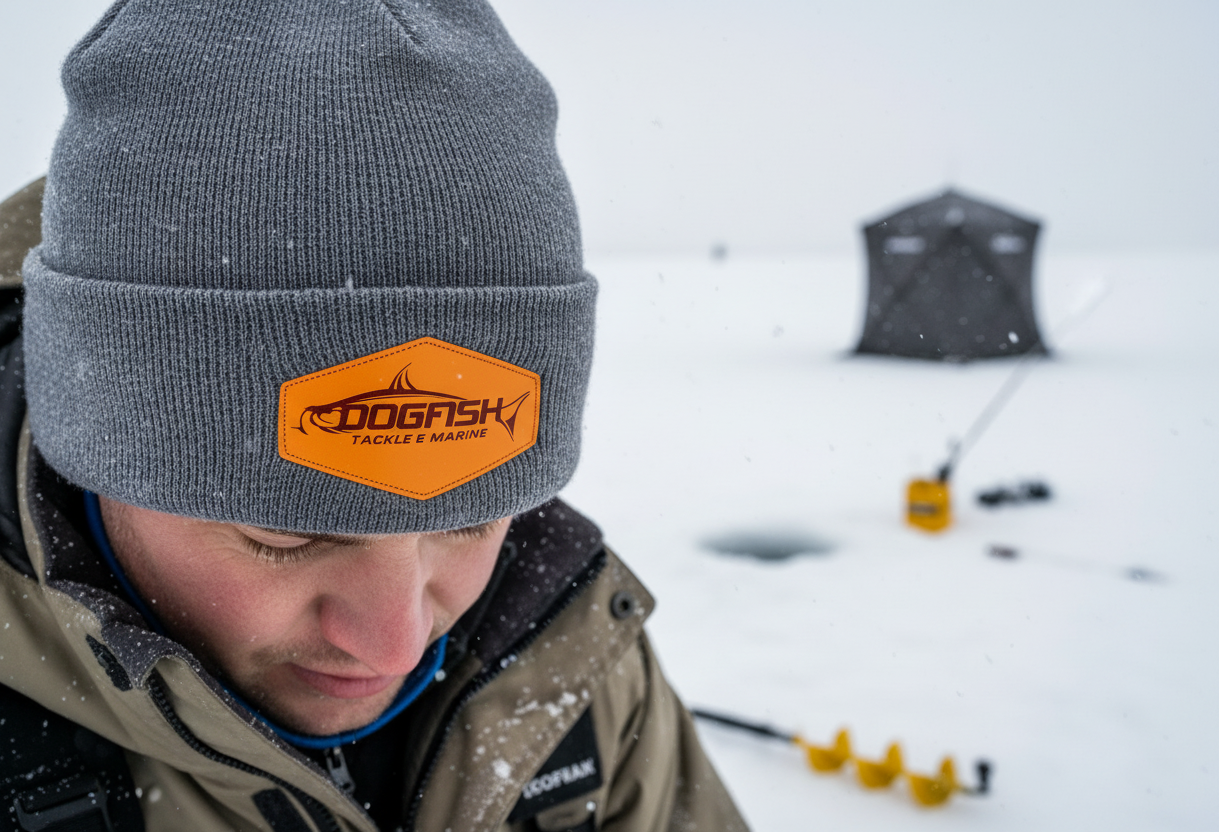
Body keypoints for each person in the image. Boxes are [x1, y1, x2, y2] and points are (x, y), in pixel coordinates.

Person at [0, 2, 748, 830]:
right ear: (88, 447)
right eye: (286, 530)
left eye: (467, 515)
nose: (397, 643)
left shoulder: (570, 664)